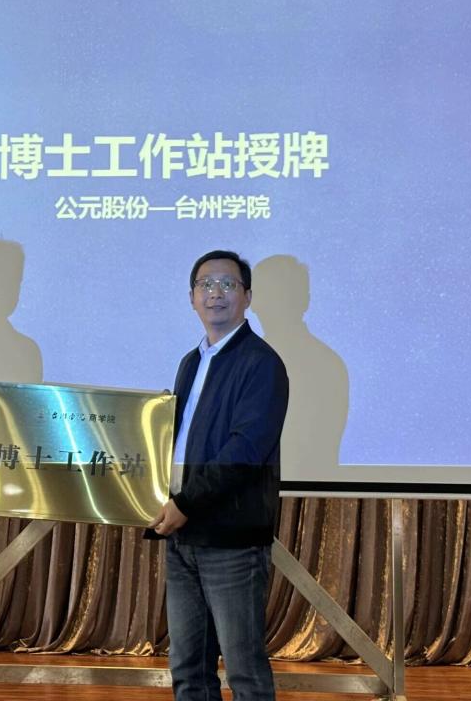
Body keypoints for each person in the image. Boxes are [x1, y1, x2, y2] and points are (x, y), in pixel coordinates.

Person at [148, 249, 289, 701]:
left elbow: (245, 450)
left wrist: (186, 502)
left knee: (244, 673)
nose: (216, 293)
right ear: (191, 297)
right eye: (206, 284)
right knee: (188, 670)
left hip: (231, 540)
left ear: (247, 296)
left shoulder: (262, 364)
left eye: (228, 284)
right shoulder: (191, 362)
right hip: (183, 535)